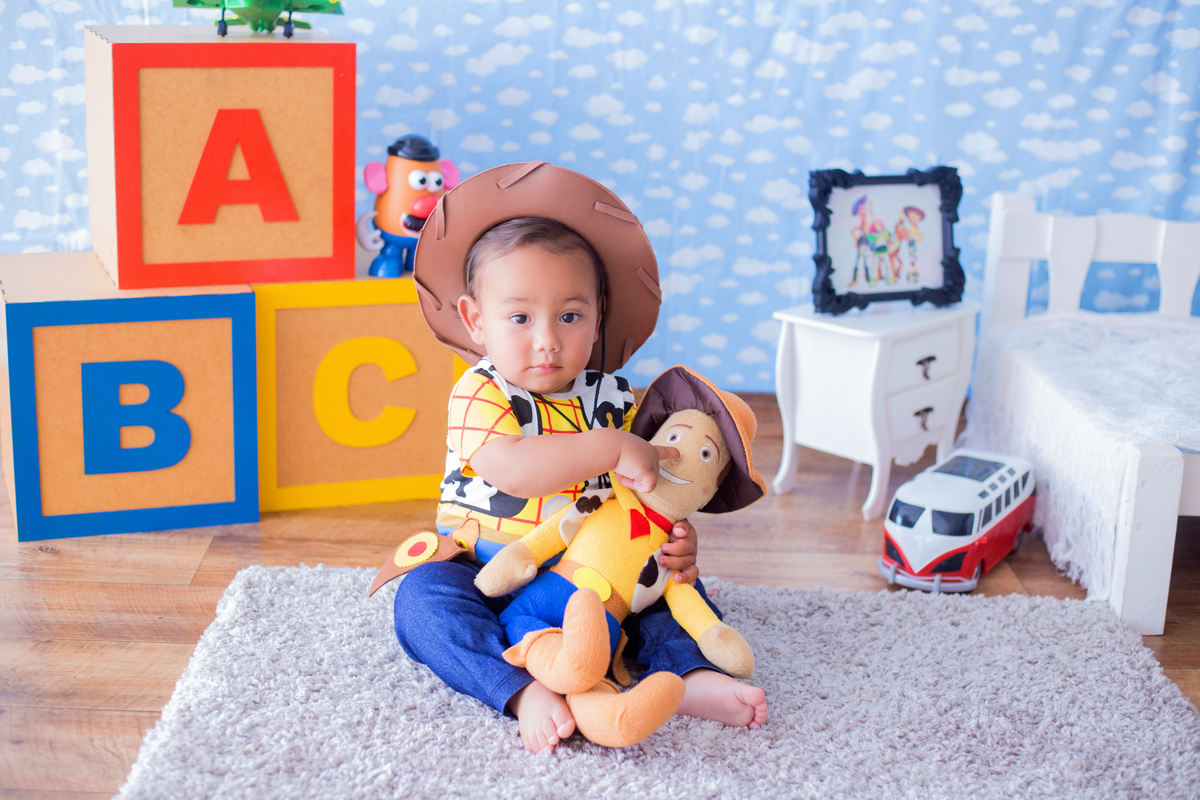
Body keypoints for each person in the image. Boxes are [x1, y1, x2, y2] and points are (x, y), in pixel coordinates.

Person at [391, 164, 767, 754]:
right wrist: (613, 446)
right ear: (475, 321)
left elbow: (662, 488)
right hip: (488, 567)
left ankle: (689, 677)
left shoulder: (619, 401)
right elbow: (511, 465)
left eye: (569, 316)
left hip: (597, 575)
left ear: (598, 316)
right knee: (423, 601)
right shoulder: (480, 392)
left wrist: (677, 542)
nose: (547, 339)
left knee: (664, 595)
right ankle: (519, 689)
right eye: (520, 317)